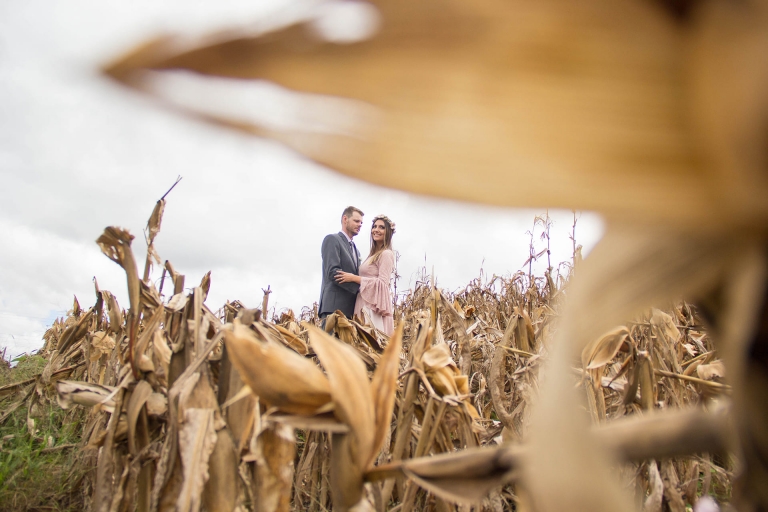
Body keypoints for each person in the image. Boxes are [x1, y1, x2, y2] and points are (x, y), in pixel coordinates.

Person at [335, 214, 396, 335]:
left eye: (381, 227)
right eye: (374, 226)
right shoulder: (372, 255)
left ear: (388, 232)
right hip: (363, 302)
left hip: (373, 307)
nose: (376, 230)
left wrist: (354, 278)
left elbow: (383, 284)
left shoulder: (386, 254)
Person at [319, 206, 364, 321]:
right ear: (345, 219)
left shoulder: (356, 250)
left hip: (350, 313)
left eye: (361, 223)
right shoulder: (332, 239)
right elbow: (333, 273)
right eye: (356, 221)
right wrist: (360, 287)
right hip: (333, 310)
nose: (360, 225)